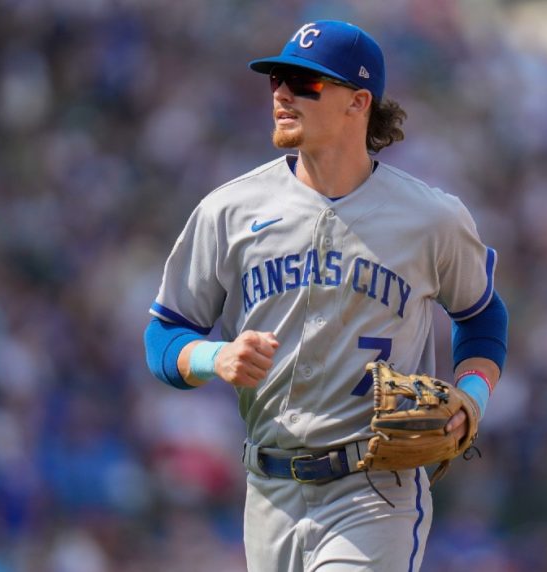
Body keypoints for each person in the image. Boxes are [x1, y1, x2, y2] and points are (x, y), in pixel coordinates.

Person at [144, 20, 508, 571]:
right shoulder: (229, 210)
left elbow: (482, 318)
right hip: (268, 493)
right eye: (277, 80)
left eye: (306, 82)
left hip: (375, 490)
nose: (282, 94)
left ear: (358, 102)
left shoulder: (430, 218)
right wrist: (217, 357)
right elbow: (163, 337)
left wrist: (473, 397)